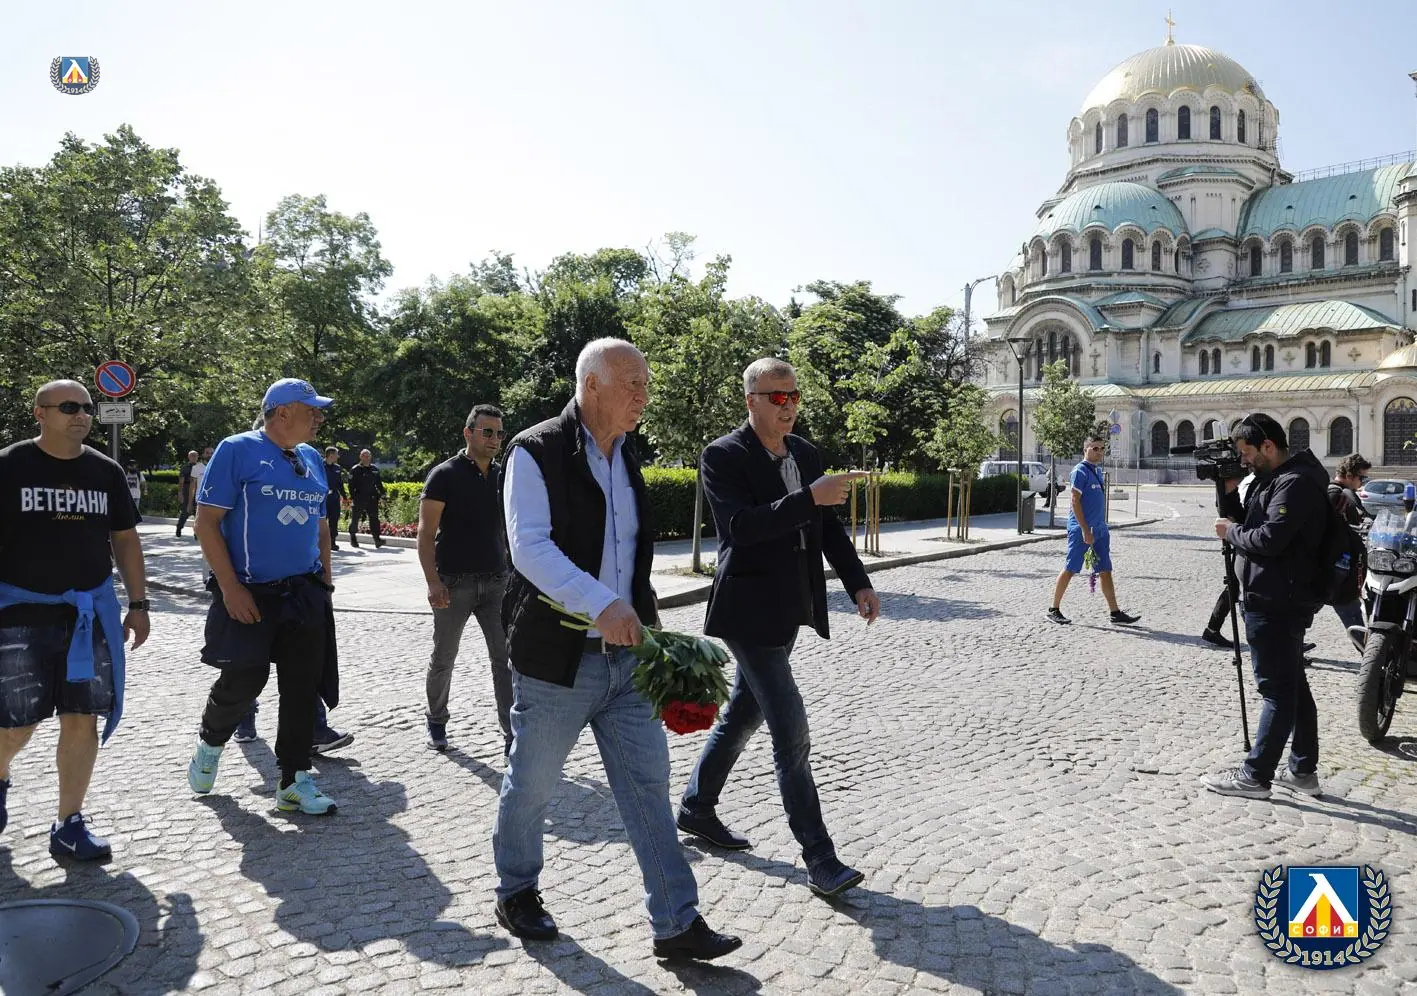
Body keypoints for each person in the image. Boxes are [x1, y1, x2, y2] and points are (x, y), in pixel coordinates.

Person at [493, 338, 741, 961]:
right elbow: (530, 548)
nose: (643, 396)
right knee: (532, 785)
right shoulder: (534, 450)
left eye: (646, 384)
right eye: (633, 384)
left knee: (648, 789)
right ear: (592, 385)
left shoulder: (628, 453)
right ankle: (516, 890)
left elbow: (630, 555)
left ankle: (676, 923)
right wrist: (599, 604)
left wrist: (644, 624)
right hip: (557, 661)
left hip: (628, 662)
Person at [677, 357, 881, 899]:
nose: (789, 406)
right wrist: (809, 497)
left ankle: (697, 806)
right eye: (778, 397)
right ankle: (820, 858)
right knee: (790, 728)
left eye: (794, 396)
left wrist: (858, 582)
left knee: (744, 711)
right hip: (746, 610)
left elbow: (827, 527)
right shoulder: (723, 455)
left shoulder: (806, 453)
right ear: (752, 401)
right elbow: (740, 528)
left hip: (791, 606)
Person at [0, 379, 150, 861]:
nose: (82, 415)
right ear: (40, 413)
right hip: (19, 614)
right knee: (15, 726)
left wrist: (139, 604)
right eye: (69, 407)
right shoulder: (10, 465)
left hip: (89, 614)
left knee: (82, 718)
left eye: (86, 407)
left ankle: (69, 823)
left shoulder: (105, 471)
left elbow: (124, 539)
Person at [185, 378, 342, 816]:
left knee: (302, 687)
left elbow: (321, 526)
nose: (319, 418)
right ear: (282, 412)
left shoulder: (311, 458)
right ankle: (210, 744)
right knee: (243, 682)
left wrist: (325, 583)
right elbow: (206, 523)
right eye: (311, 411)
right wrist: (230, 588)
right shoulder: (237, 449)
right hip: (249, 591)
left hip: (303, 592)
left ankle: (294, 779)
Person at [1202, 413, 1329, 799]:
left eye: (1246, 453)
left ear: (1268, 447)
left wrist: (1231, 532)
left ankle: (1256, 776)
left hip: (1276, 600)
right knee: (1294, 687)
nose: (1243, 460)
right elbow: (1249, 519)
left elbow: (1270, 539)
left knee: (1276, 690)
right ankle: (1302, 771)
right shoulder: (1274, 479)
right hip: (1274, 595)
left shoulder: (1294, 482)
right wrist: (1228, 493)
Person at [419, 404, 512, 754]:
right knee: (444, 656)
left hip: (497, 583)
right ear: (468, 432)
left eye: (499, 433)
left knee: (505, 660)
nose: (494, 439)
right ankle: (436, 720)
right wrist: (433, 581)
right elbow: (425, 534)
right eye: (487, 432)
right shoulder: (444, 475)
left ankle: (512, 734)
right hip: (453, 584)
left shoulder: (503, 475)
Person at [1047, 434, 1140, 626]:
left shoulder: (1096, 471)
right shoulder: (1079, 471)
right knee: (1071, 568)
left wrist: (1100, 527)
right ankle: (1053, 609)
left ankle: (1115, 613)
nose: (1099, 452)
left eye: (1102, 448)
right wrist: (1084, 529)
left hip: (1100, 529)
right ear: (1085, 450)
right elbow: (1075, 501)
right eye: (1094, 448)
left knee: (1105, 569)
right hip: (1082, 529)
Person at [1327, 454, 1373, 653]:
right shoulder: (1336, 494)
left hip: (1338, 565)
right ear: (1348, 475)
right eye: (1361, 478)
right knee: (1351, 613)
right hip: (1337, 566)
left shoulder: (1339, 493)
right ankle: (1371, 659)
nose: (1362, 482)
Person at [348, 449, 385, 549]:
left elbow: (379, 484)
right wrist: (353, 496)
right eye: (364, 456)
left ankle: (377, 539)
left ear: (371, 457)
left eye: (368, 456)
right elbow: (350, 485)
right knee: (355, 519)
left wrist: (383, 494)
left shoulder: (374, 469)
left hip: (372, 498)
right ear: (360, 457)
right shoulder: (355, 469)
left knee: (374, 519)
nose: (366, 458)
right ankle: (353, 537)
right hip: (359, 498)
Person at [324, 447, 346, 552]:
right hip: (323, 498)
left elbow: (340, 484)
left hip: (334, 497)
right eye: (337, 454)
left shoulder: (337, 468)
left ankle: (332, 542)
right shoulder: (320, 466)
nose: (338, 456)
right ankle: (319, 542)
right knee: (322, 520)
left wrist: (345, 496)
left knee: (334, 520)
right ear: (331, 455)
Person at [176, 450, 200, 536]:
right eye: (192, 456)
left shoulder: (200, 467)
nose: (194, 457)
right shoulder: (185, 467)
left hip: (198, 489)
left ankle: (196, 532)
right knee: (186, 511)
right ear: (189, 457)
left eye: (195, 456)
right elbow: (181, 482)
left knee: (198, 511)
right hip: (187, 489)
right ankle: (179, 527)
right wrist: (180, 493)